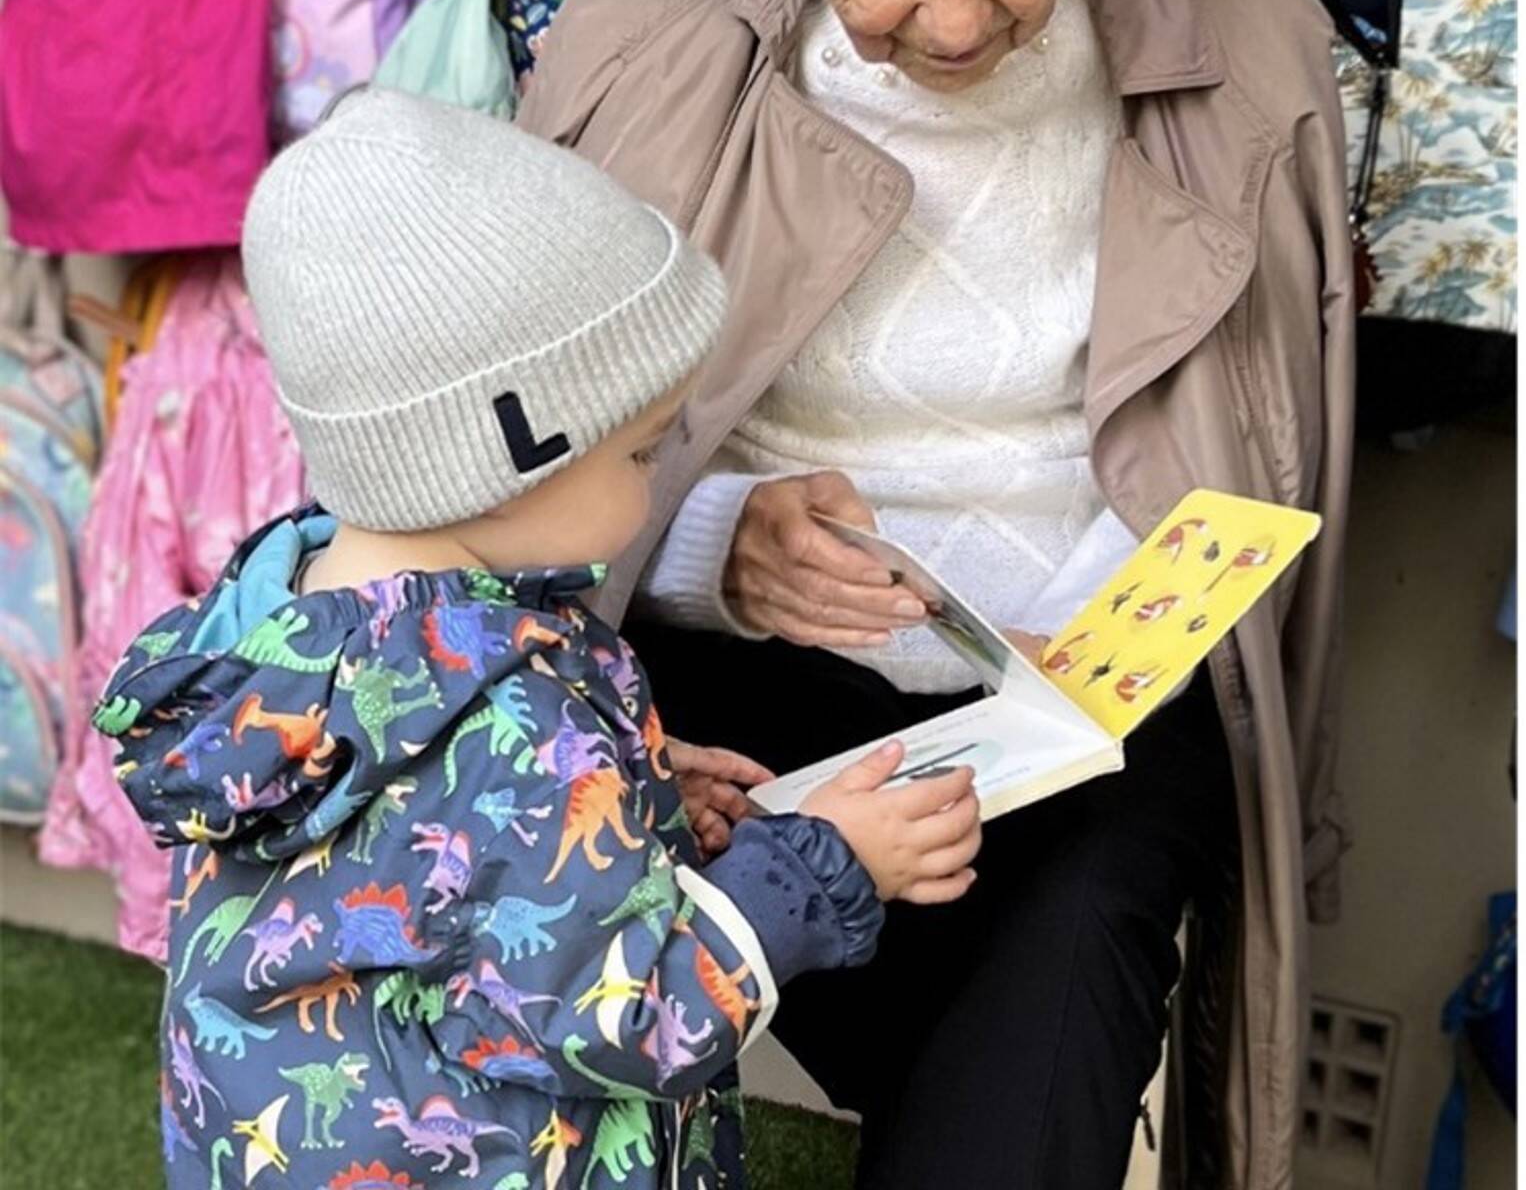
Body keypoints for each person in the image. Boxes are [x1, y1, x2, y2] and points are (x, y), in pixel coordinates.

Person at [512, 0, 1357, 1185]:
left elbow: (1277, 457)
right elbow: (504, 450)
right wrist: (710, 544)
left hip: (1082, 702)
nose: (959, 15)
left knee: (1045, 991)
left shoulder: (1251, 47)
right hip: (722, 677)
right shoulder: (651, 20)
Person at [93, 88, 983, 1190]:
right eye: (639, 455)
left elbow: (428, 870)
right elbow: (631, 1016)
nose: (655, 483)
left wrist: (629, 796)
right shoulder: (507, 715)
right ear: (498, 456)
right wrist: (823, 865)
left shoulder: (282, 619)